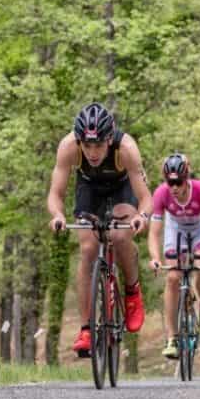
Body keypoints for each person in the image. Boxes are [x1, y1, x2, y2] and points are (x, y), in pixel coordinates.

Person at [47, 102, 152, 357]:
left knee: (119, 234)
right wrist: (58, 215)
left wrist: (141, 217)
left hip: (122, 187)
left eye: (99, 145)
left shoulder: (125, 148)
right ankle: (86, 329)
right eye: (88, 145)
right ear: (80, 141)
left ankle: (132, 291)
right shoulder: (69, 147)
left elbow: (146, 198)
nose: (93, 152)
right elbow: (55, 193)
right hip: (89, 187)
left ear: (109, 138)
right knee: (88, 248)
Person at [146, 154, 200, 360]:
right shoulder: (161, 194)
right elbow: (153, 233)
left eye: (178, 182)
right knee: (172, 277)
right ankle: (172, 338)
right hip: (176, 229)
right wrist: (154, 258)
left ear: (186, 178)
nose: (174, 187)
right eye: (170, 182)